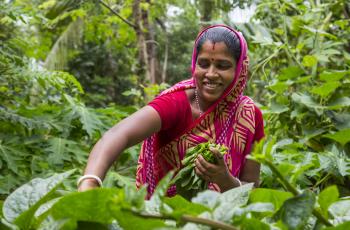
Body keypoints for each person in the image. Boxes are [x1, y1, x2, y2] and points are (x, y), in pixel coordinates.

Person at [78, 25, 265, 198]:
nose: (211, 74)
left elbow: (252, 190)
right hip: (163, 218)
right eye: (204, 64)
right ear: (194, 64)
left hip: (221, 221)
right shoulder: (177, 103)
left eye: (223, 66)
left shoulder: (249, 116)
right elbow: (119, 134)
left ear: (239, 68)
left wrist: (225, 180)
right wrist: (90, 182)